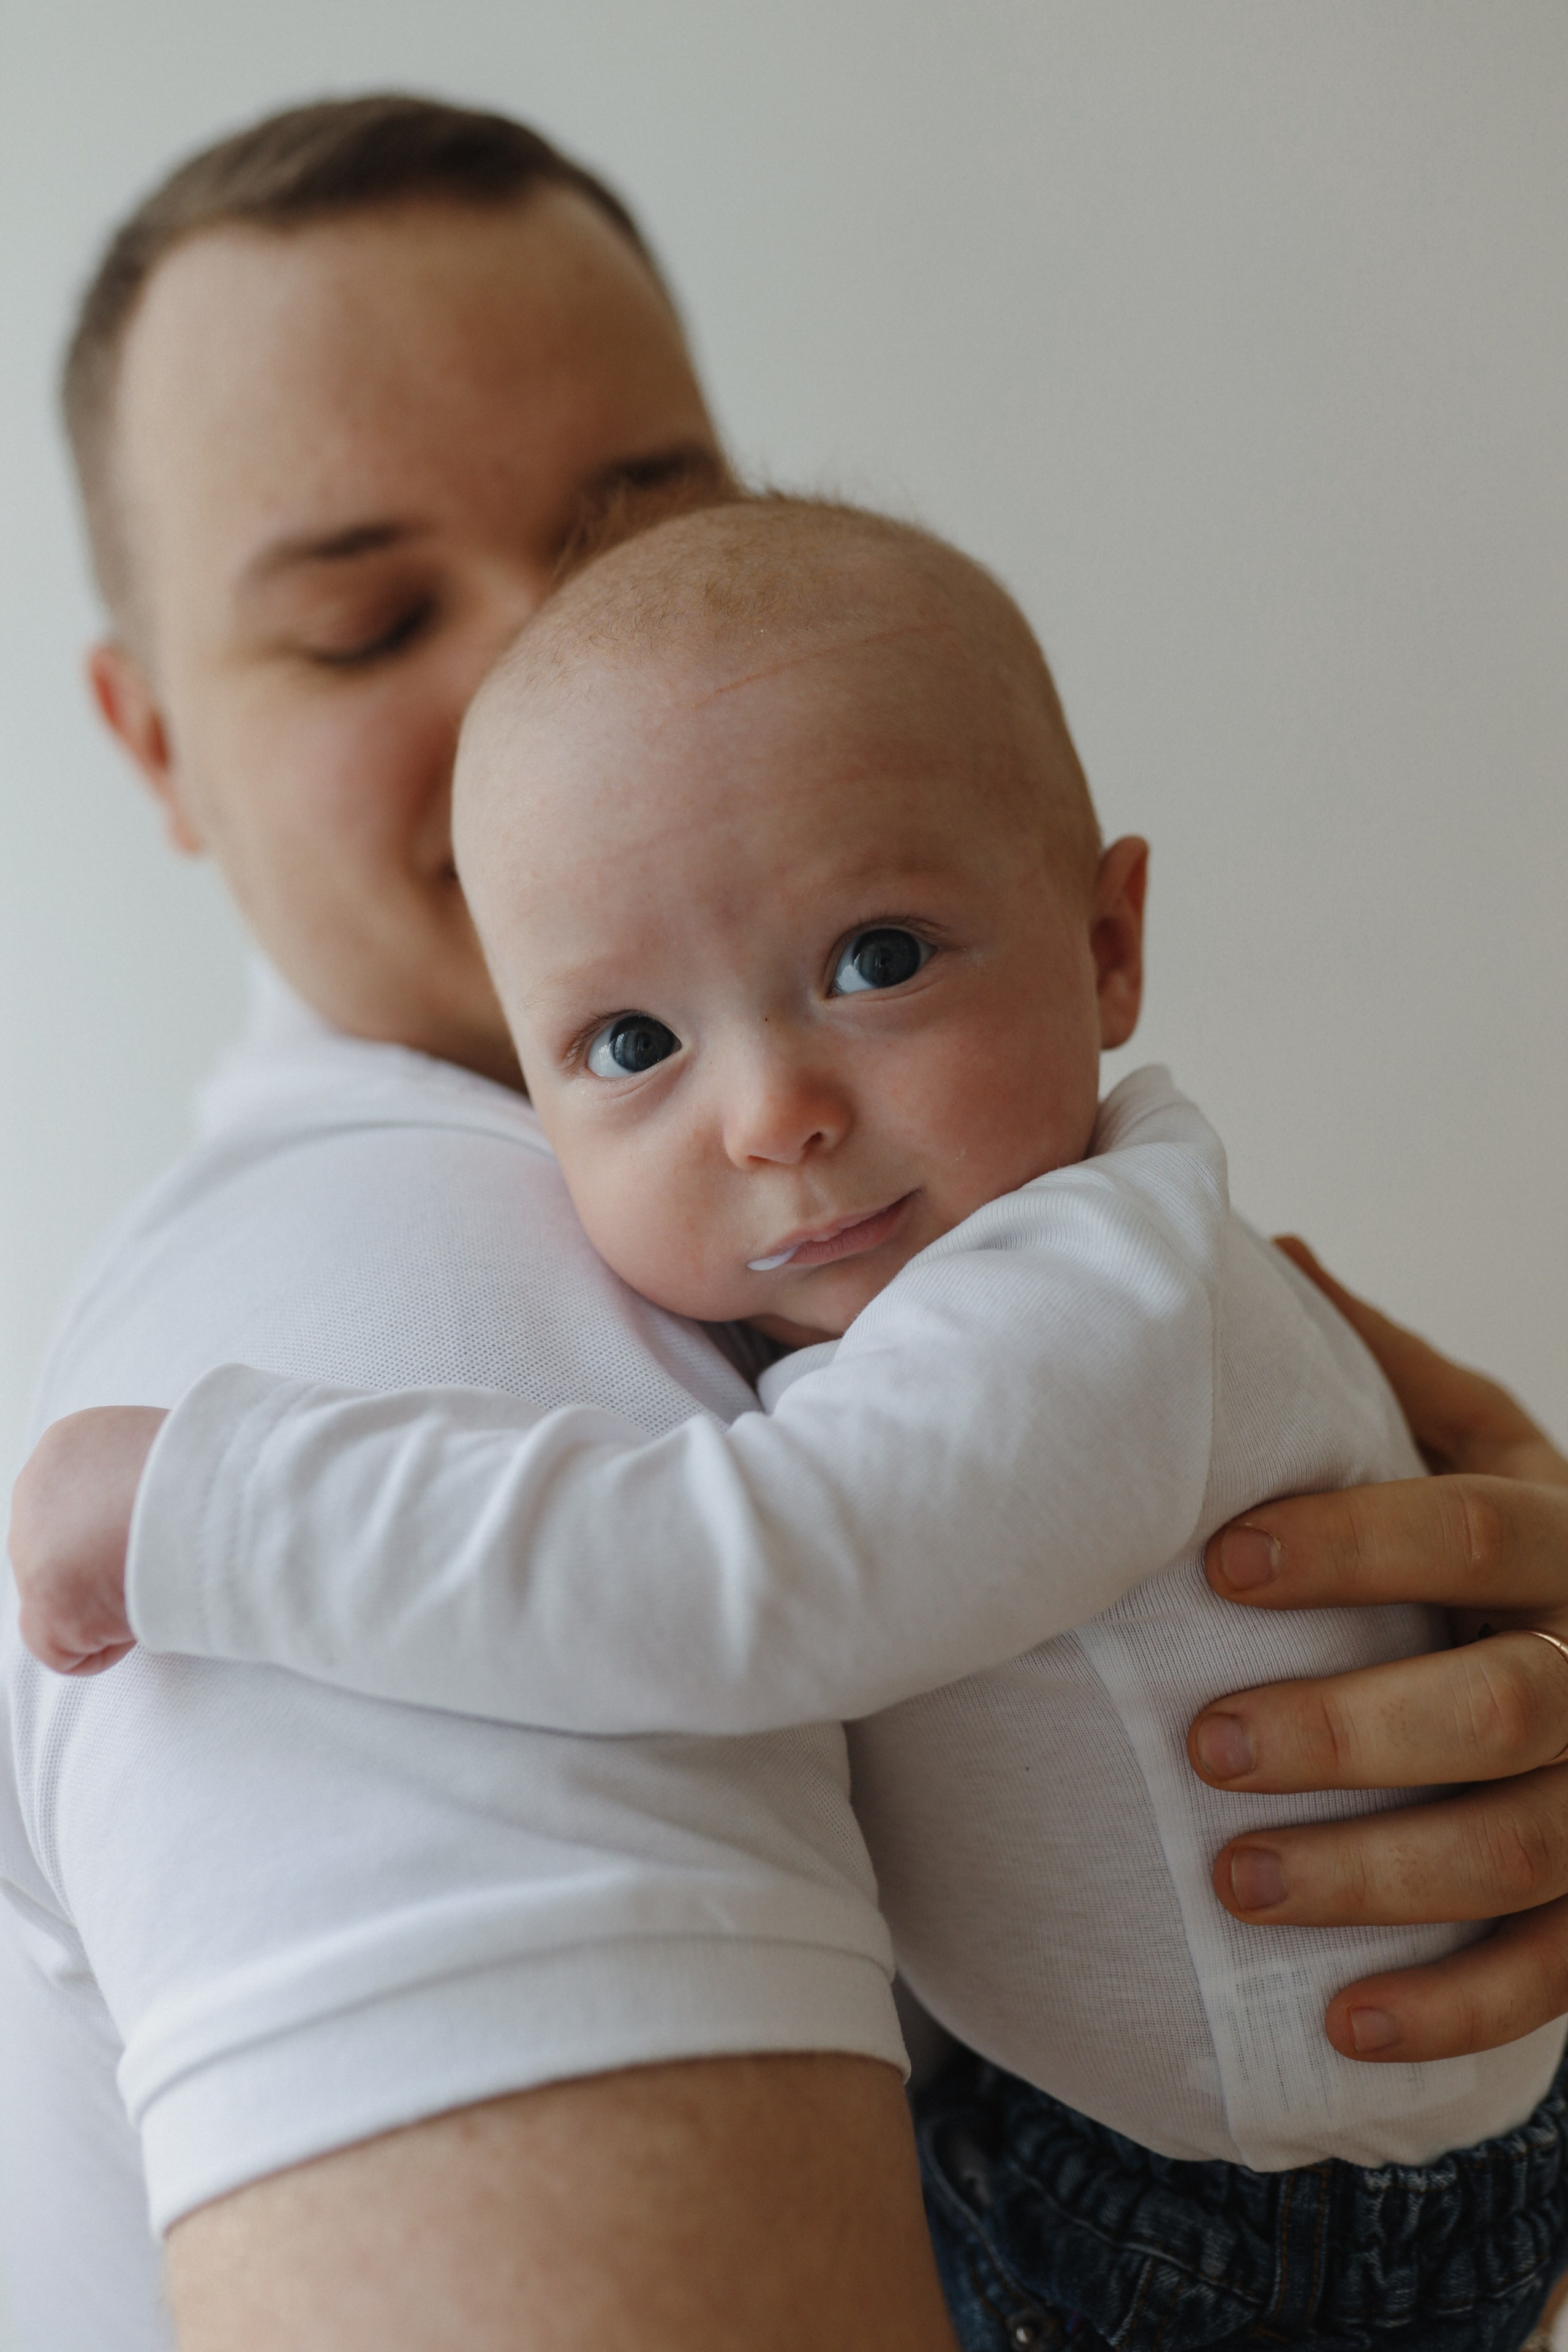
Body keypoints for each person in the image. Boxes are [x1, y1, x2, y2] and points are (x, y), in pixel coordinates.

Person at [3, 92, 1568, 2352]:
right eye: (363, 622)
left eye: (643, 517)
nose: (555, 667)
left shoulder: (918, 1222)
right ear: (150, 745)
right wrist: (213, 1501)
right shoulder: (380, 1307)